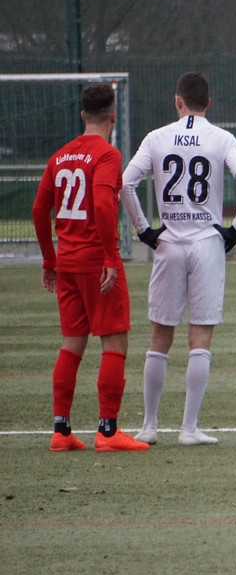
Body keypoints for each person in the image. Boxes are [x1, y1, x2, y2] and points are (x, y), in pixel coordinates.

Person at [120, 72, 236, 446]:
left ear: (177, 100)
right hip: (206, 243)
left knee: (159, 334)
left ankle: (149, 426)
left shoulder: (157, 137)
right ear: (208, 104)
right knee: (200, 335)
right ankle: (188, 429)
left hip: (168, 243)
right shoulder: (222, 138)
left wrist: (143, 230)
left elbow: (126, 183)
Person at [31, 82, 148, 452]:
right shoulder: (108, 154)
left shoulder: (61, 156)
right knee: (114, 341)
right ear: (113, 116)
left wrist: (50, 259)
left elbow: (38, 209)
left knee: (72, 344)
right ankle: (108, 432)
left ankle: (61, 429)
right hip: (97, 262)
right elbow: (101, 204)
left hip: (66, 261)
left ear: (82, 115)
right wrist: (112, 258)